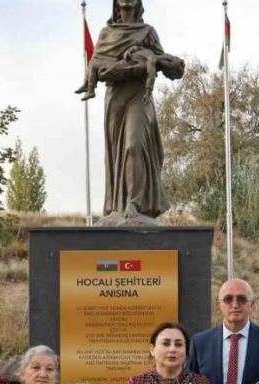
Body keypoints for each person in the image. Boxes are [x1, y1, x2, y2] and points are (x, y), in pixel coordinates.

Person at [78, 0, 185, 220]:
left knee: (133, 145)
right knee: (117, 155)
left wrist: (135, 68)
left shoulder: (148, 32)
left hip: (140, 95)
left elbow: (162, 66)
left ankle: (135, 203)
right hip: (115, 98)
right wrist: (115, 72)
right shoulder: (106, 33)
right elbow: (99, 69)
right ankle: (118, 206)